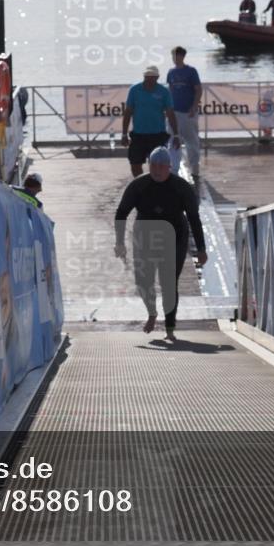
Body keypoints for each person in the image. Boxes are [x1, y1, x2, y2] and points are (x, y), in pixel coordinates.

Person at [115, 147, 207, 340]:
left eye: (161, 166)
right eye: (153, 166)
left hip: (175, 237)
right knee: (143, 282)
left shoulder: (181, 187)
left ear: (169, 167)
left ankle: (170, 328)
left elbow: (194, 218)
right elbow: (121, 213)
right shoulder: (138, 186)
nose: (157, 170)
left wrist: (201, 248)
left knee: (168, 282)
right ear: (149, 166)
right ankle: (151, 313)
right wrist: (120, 242)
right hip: (145, 236)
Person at [121, 65, 181, 178]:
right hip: (138, 134)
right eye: (147, 77)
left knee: (158, 163)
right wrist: (124, 134)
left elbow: (170, 114)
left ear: (157, 77)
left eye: (152, 77)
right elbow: (128, 112)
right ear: (144, 76)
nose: (149, 79)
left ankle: (155, 182)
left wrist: (176, 135)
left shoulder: (164, 91)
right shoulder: (134, 90)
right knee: (135, 163)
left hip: (157, 135)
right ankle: (140, 182)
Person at [166, 46, 203, 180]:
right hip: (173, 112)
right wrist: (167, 109)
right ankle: (174, 169)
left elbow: (198, 89)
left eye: (176, 56)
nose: (174, 59)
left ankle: (195, 169)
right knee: (172, 140)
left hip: (188, 113)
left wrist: (194, 106)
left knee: (191, 141)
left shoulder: (191, 71)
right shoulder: (170, 72)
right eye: (173, 56)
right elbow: (170, 90)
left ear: (182, 56)